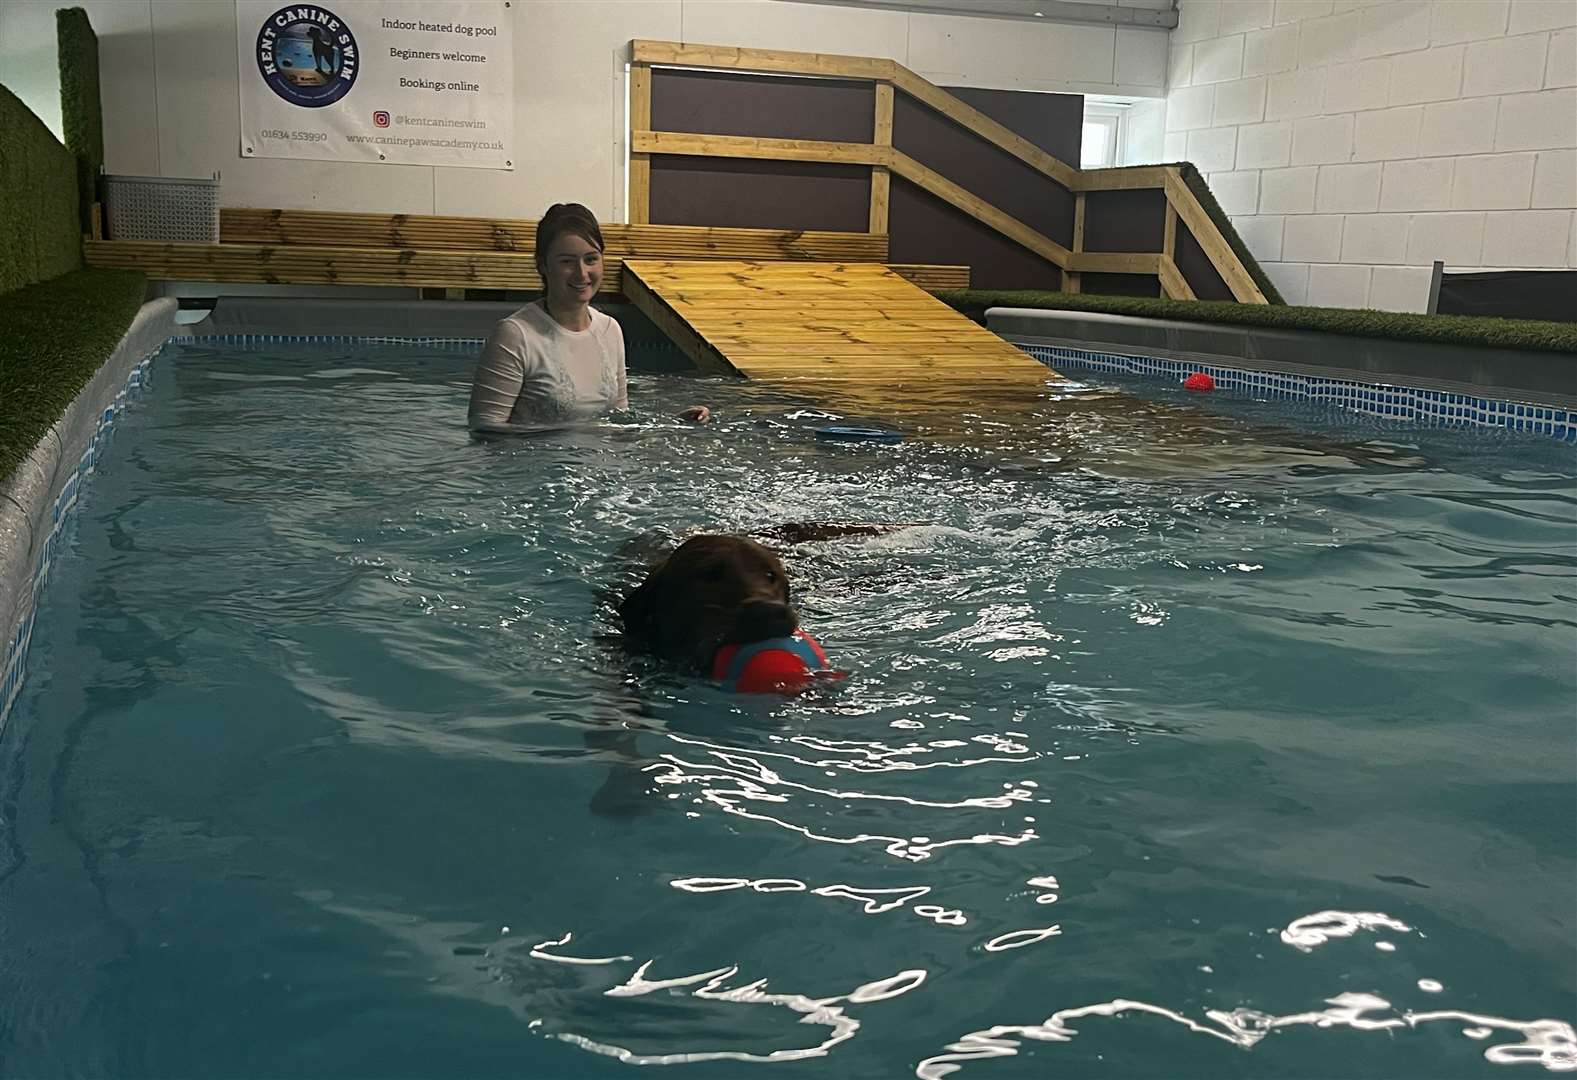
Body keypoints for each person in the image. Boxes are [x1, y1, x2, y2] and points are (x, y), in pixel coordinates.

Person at [467, 202, 710, 430]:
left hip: (598, 469)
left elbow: (618, 420)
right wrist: (577, 433)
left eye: (591, 259)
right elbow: (485, 431)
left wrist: (671, 424)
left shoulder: (609, 330)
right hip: (536, 471)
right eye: (567, 262)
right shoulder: (516, 335)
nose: (582, 273)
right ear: (542, 265)